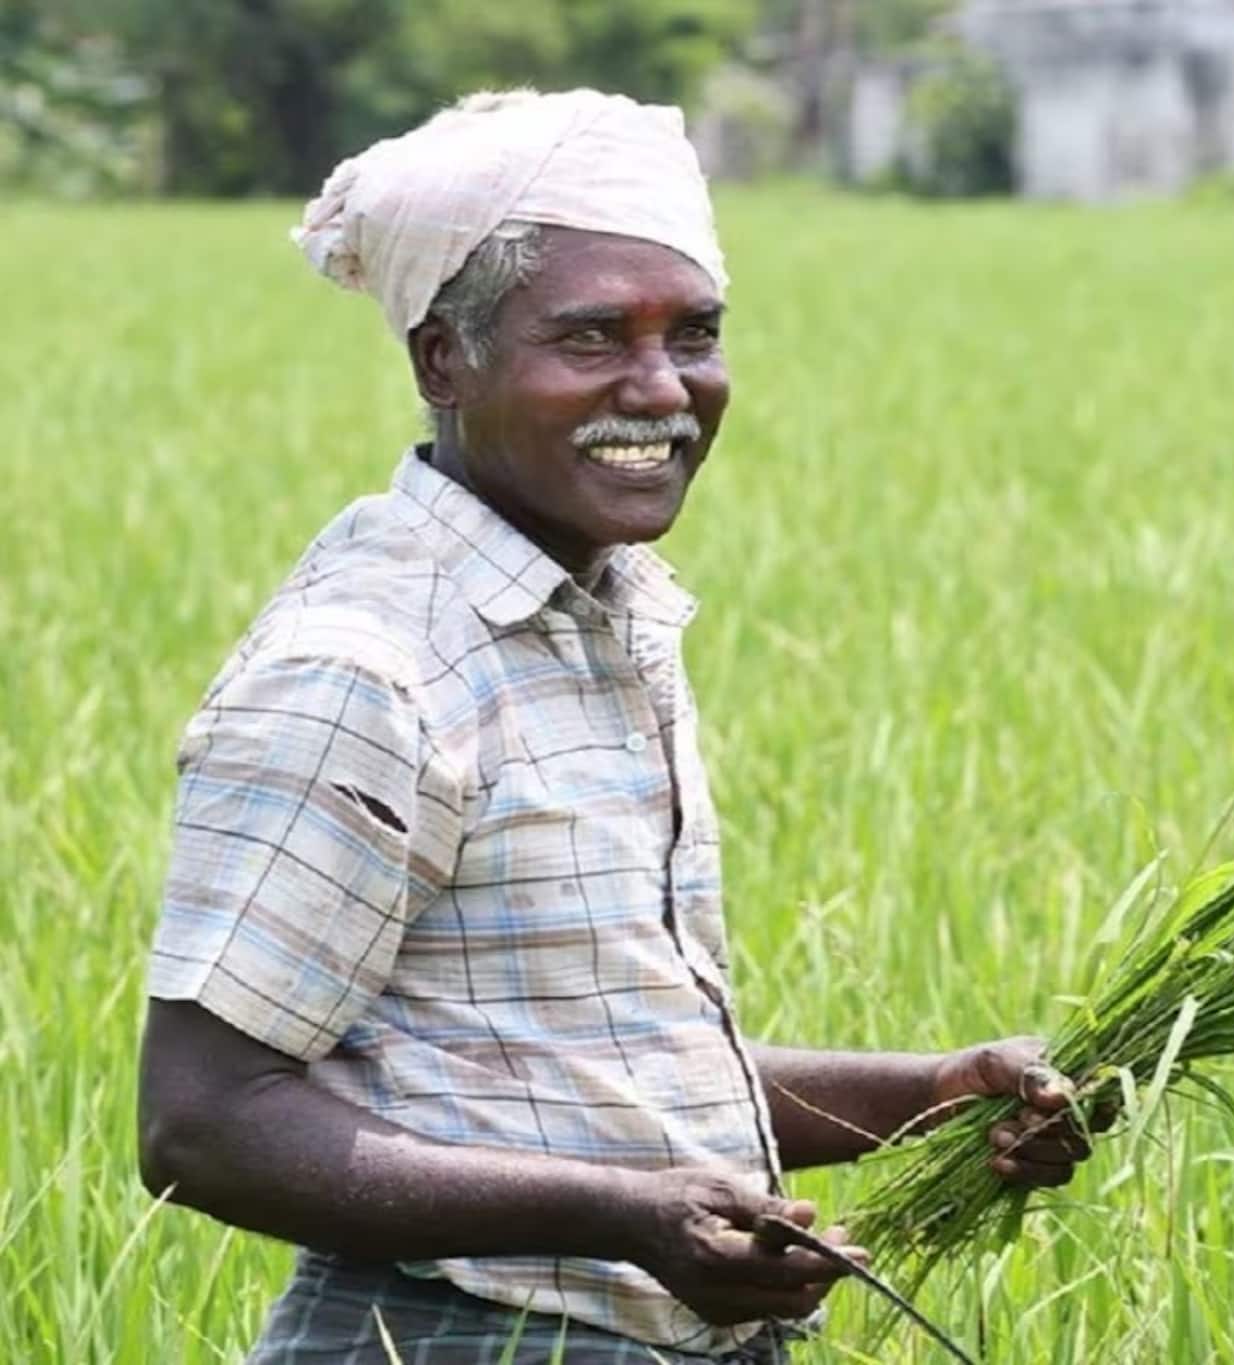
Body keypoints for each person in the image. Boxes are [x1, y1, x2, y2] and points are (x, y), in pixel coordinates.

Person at [136, 89, 1092, 1364]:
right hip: (456, 1338)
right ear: (443, 362)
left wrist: (925, 1099)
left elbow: (596, 1074)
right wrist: (623, 1220)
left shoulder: (596, 617)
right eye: (590, 339)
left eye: (691, 334)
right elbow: (204, 1125)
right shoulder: (364, 669)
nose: (661, 389)